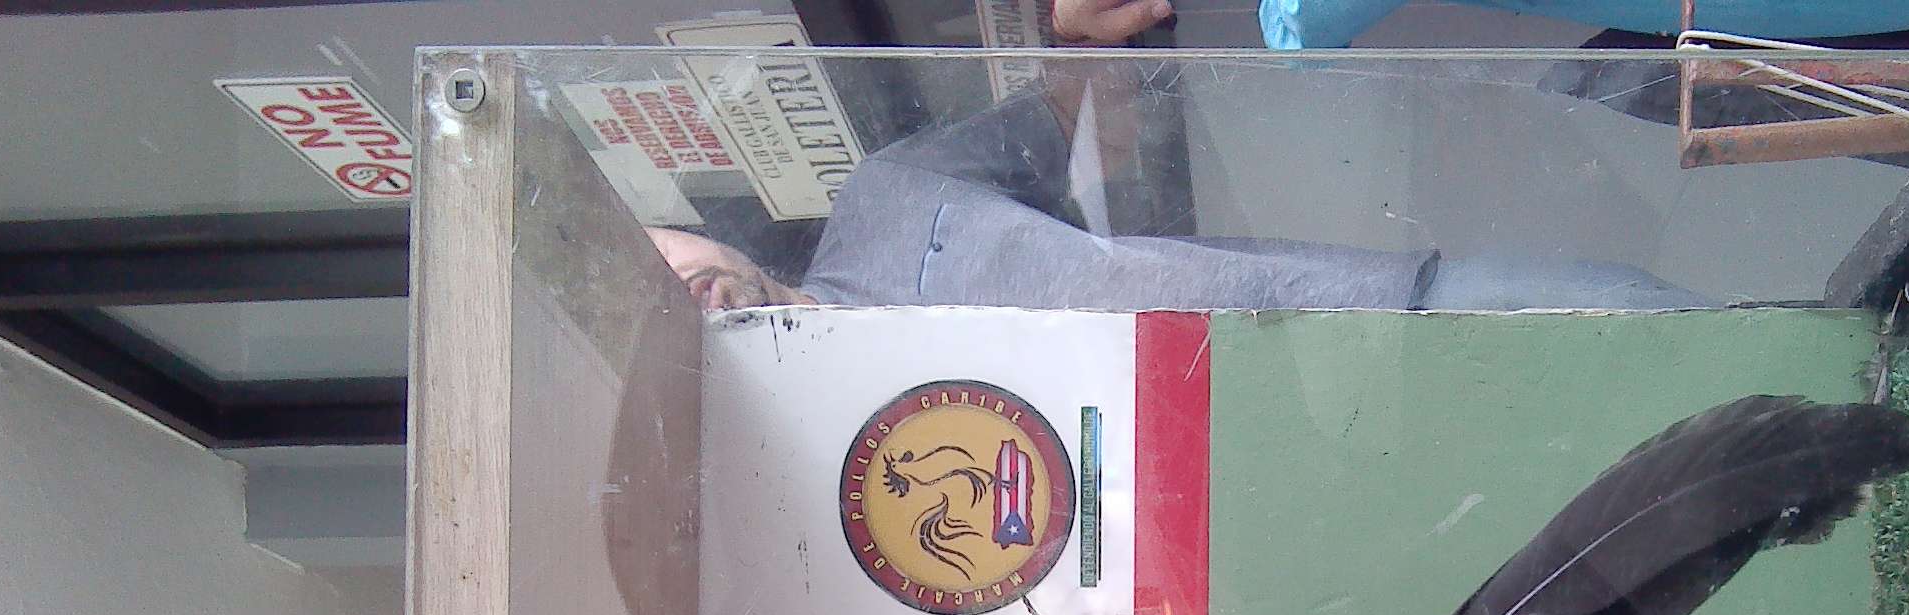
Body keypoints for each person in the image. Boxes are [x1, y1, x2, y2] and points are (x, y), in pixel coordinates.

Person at [650, 24, 1708, 316]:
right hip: (1253, 513)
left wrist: (1075, 35)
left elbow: (1084, 122)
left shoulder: (884, 202)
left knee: (1646, 315)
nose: (678, 290)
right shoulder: (823, 488)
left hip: (1361, 314)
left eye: (648, 258)